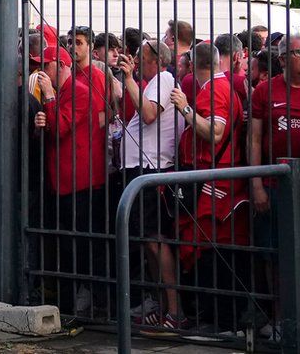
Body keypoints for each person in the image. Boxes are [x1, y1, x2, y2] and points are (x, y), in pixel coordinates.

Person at [248, 34, 300, 341]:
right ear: (282, 59)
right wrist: (256, 183)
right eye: (298, 53)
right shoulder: (264, 91)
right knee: (276, 253)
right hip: (276, 182)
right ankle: (283, 318)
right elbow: (254, 139)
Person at [169, 42, 248, 334]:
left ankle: (224, 323)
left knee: (212, 250)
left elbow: (215, 133)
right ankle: (217, 320)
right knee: (211, 249)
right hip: (211, 176)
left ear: (192, 66)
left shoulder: (216, 89)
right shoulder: (218, 87)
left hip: (215, 182)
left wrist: (185, 108)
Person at [33, 46, 107, 316]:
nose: (40, 70)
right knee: (66, 243)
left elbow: (62, 127)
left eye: (45, 65)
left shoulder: (79, 92)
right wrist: (42, 120)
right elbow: (52, 129)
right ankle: (71, 302)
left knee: (84, 244)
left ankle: (96, 301)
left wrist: (50, 100)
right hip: (63, 180)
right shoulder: (63, 92)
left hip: (81, 182)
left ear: (61, 65)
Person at [118, 41, 186, 329]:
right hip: (139, 169)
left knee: (157, 241)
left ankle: (175, 310)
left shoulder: (164, 79)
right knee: (147, 242)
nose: (136, 62)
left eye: (141, 58)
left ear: (156, 60)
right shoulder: (152, 82)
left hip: (152, 169)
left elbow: (148, 114)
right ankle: (161, 305)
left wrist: (130, 79)